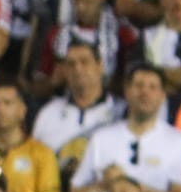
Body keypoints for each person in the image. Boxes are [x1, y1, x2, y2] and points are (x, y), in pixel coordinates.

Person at [32, 39, 121, 178]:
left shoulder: (121, 113)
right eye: (71, 64)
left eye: (84, 62)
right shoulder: (48, 113)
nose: (77, 69)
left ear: (100, 66)